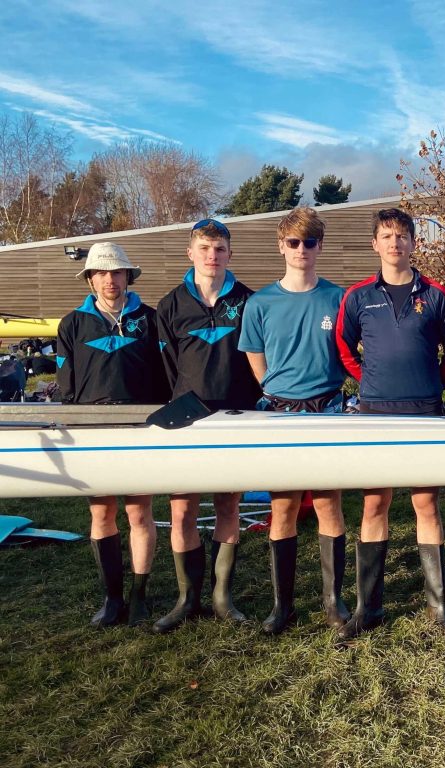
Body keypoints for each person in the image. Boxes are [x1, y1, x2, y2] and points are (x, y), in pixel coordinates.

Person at [336, 208, 445, 639]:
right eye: (387, 236)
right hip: (375, 414)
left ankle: (438, 608)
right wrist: (367, 380)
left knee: (426, 504)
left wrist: (434, 383)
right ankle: (368, 608)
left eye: (402, 236)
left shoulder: (437, 294)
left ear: (413, 243)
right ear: (375, 244)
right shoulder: (358, 296)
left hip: (425, 411)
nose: (395, 243)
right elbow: (343, 346)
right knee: (375, 504)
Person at [238, 207, 349, 635]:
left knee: (327, 503)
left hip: (329, 411)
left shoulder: (338, 298)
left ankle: (333, 602)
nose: (302, 249)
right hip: (280, 414)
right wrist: (278, 392)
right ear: (281, 246)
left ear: (320, 247)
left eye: (310, 242)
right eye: (294, 242)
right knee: (283, 507)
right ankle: (282, 605)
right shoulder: (260, 303)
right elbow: (256, 358)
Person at [152, 218, 262, 633]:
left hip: (236, 418)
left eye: (219, 249)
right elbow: (166, 368)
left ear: (230, 254)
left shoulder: (249, 301)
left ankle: (222, 597)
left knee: (227, 506)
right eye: (204, 248)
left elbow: (256, 359)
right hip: (186, 422)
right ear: (191, 253)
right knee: (182, 511)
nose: (212, 256)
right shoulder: (170, 305)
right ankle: (187, 599)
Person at [56, 242, 169, 627]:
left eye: (116, 272)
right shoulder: (72, 324)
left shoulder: (150, 319)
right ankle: (112, 598)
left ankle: (139, 596)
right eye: (101, 273)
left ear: (127, 277)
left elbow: (164, 376)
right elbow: (66, 386)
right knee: (102, 512)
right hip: (93, 430)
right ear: (90, 278)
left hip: (139, 427)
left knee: (139, 512)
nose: (110, 279)